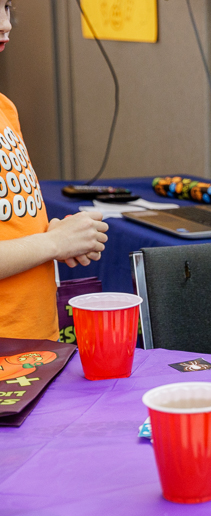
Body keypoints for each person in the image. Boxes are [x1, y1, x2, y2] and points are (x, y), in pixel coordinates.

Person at [0, 0, 109, 341]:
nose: (6, 25)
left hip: (33, 343)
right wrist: (53, 243)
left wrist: (58, 236)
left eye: (7, 8)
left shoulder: (5, 108)